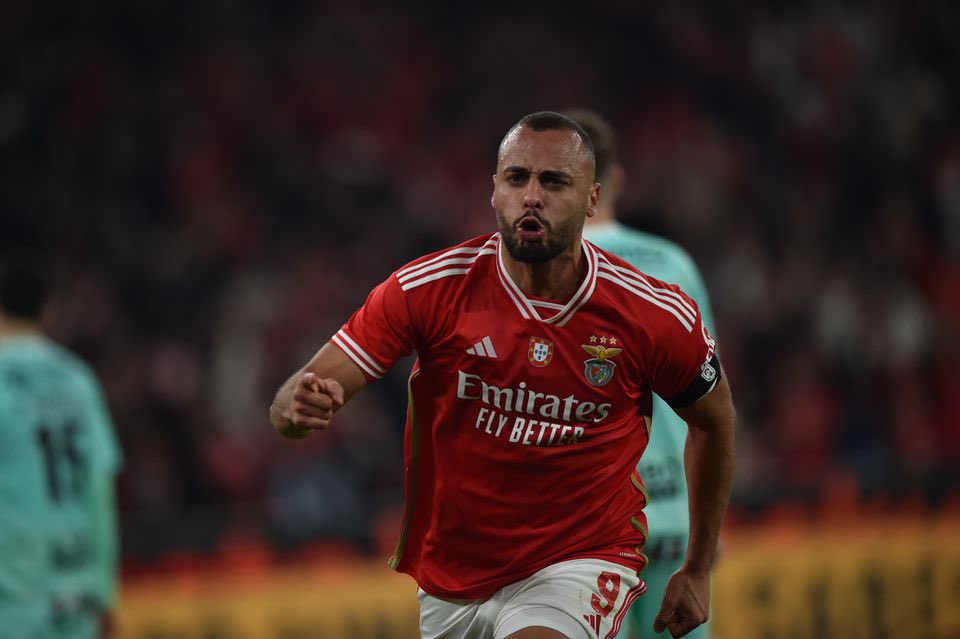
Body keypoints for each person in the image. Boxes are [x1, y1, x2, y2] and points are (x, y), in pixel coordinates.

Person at [270, 111, 736, 639]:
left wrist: (698, 568)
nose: (531, 196)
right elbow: (295, 401)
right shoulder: (428, 289)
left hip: (581, 558)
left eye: (554, 182)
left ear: (591, 199)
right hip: (455, 574)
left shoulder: (650, 312)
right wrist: (298, 407)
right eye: (517, 178)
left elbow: (714, 420)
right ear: (494, 190)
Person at [568, 109, 717, 639]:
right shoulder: (673, 264)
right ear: (617, 179)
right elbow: (713, 401)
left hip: (588, 523)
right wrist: (709, 531)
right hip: (676, 516)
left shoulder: (552, 270)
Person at [0, 257, 123, 639]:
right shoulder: (77, 378)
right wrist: (105, 590)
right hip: (74, 585)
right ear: (47, 310)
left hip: (11, 592)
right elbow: (99, 490)